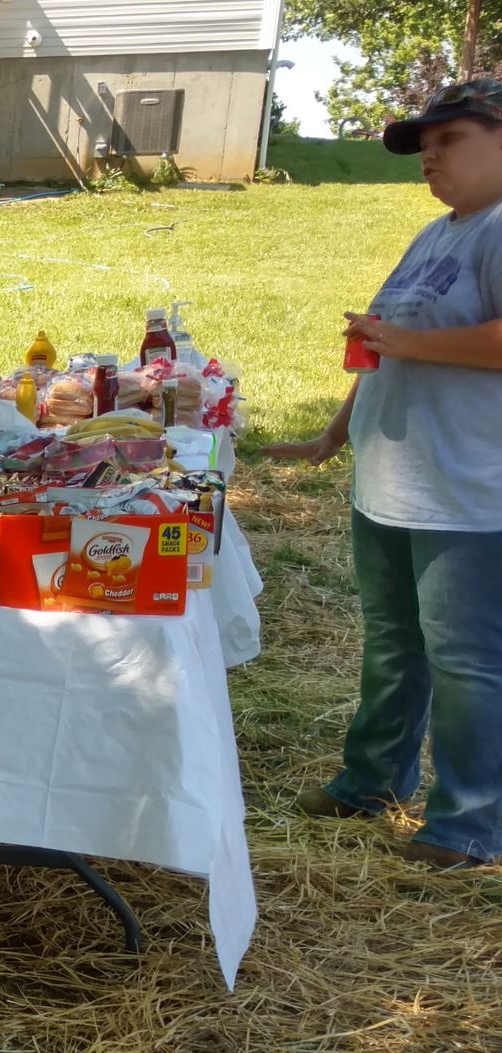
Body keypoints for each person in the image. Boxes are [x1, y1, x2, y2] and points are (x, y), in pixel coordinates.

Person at [262, 79, 502, 870]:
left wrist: (406, 342)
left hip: (469, 496)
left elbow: (427, 341)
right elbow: (379, 345)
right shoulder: (440, 233)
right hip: (396, 485)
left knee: (467, 664)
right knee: (394, 648)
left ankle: (469, 825)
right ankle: (370, 782)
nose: (429, 155)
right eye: (423, 145)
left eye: (450, 139)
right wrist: (336, 432)